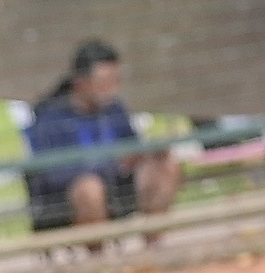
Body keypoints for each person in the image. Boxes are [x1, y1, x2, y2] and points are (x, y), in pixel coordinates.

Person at [26, 39, 178, 231]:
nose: (113, 89)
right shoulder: (51, 117)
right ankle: (98, 257)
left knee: (164, 167)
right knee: (90, 187)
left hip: (117, 187)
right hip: (68, 198)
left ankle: (153, 244)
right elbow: (51, 172)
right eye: (105, 82)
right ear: (81, 83)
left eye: (116, 81)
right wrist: (111, 164)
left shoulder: (114, 109)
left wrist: (148, 153)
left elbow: (131, 146)